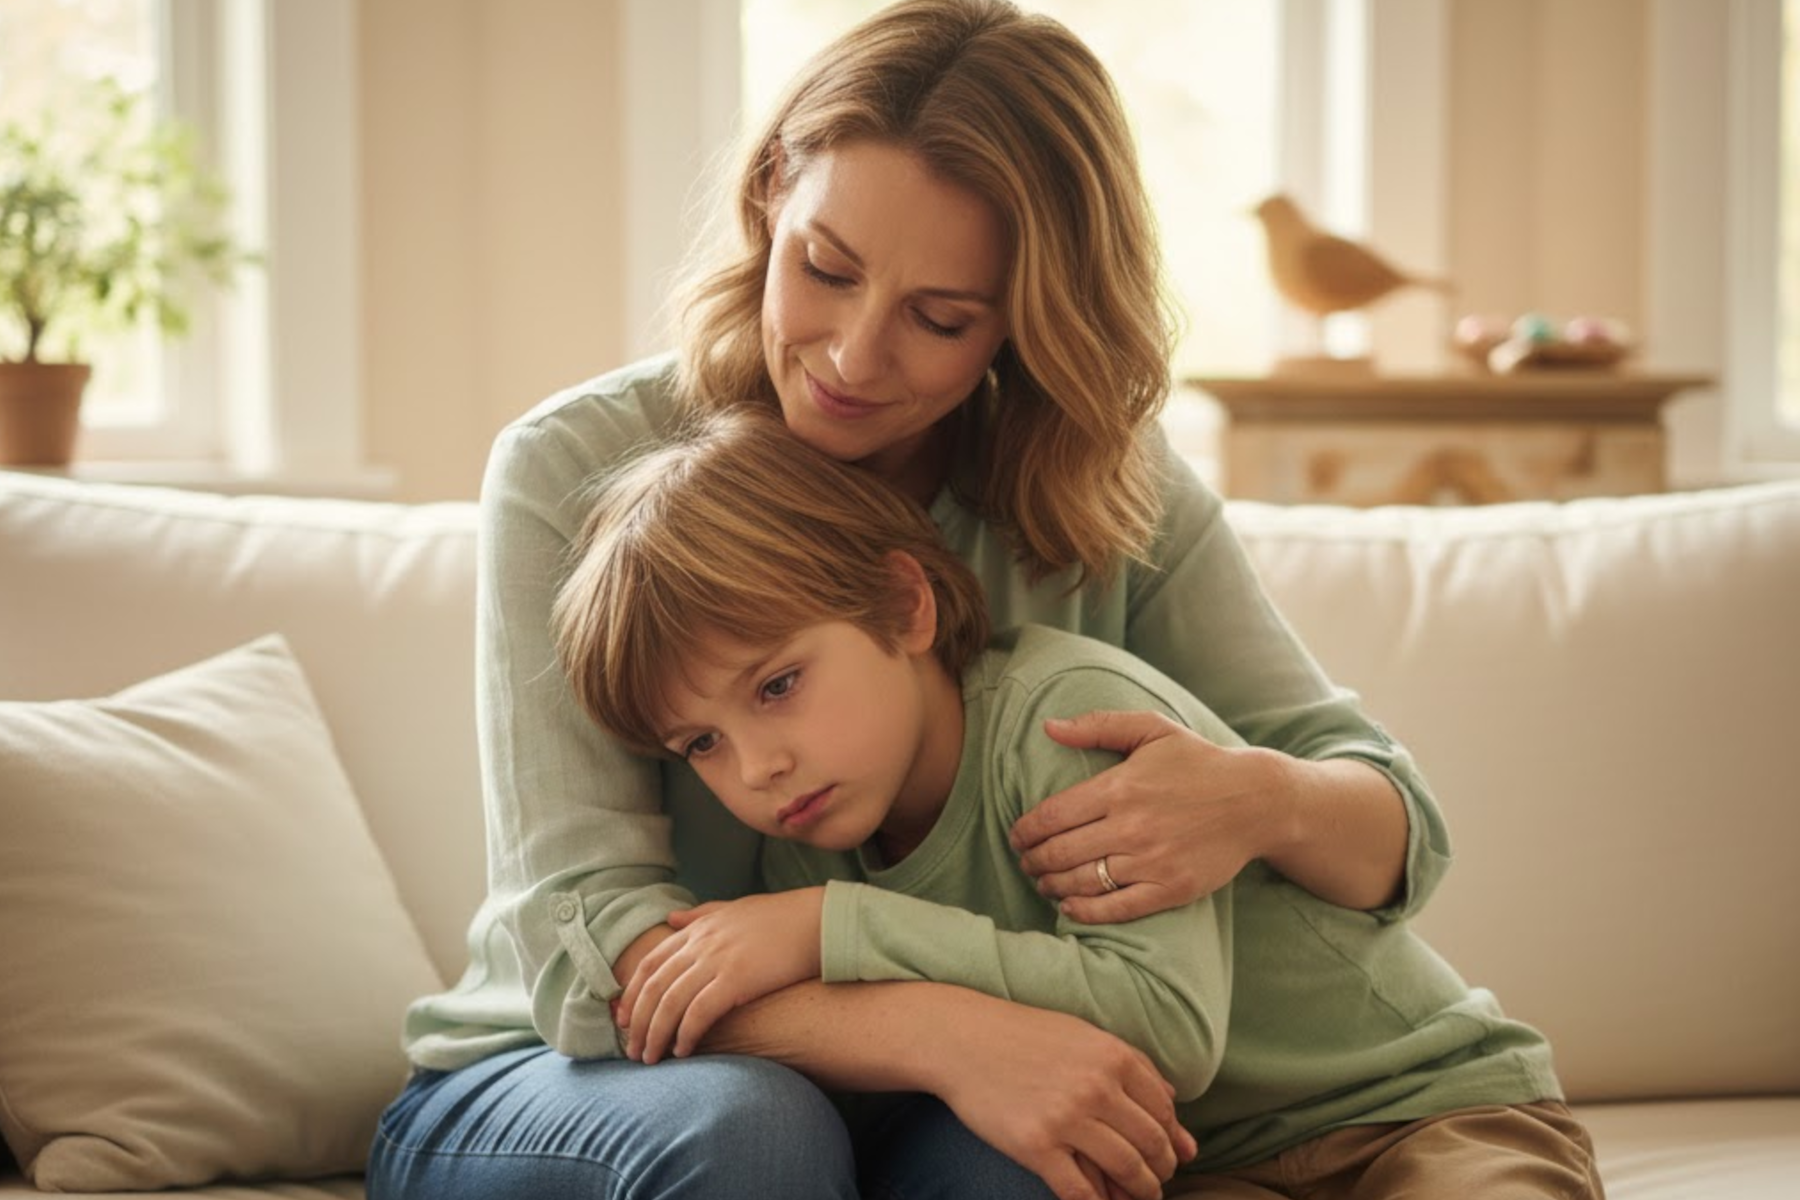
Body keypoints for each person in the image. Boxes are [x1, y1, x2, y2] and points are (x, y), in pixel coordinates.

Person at [371, 2, 1454, 1198]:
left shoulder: (1103, 488)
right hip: (577, 1080)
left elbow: (1395, 837)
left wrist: (1257, 800)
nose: (851, 356)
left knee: (1055, 1162)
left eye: (941, 319)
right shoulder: (572, 470)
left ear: (1027, 318)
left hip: (920, 1102)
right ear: (772, 193)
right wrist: (936, 1033)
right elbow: (587, 959)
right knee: (758, 1133)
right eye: (824, 270)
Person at [550, 409, 1603, 1200]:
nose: (757, 769)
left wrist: (836, 932)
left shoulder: (1070, 719)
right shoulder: (806, 847)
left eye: (778, 685)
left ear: (906, 604)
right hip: (1209, 1164)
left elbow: (1166, 1029)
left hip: (1418, 1112)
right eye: (701, 744)